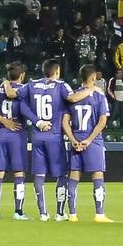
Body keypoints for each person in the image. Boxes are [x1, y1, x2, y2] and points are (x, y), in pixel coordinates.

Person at [22, 59, 76, 221]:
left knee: (39, 175)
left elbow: (20, 103)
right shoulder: (61, 85)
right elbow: (73, 99)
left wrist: (37, 121)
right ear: (57, 71)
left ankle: (43, 213)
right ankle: (59, 213)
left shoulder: (32, 85)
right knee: (61, 174)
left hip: (37, 136)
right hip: (54, 137)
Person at [63, 65, 113, 222]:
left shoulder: (73, 96)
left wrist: (73, 140)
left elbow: (65, 122)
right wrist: (89, 140)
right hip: (93, 140)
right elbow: (102, 121)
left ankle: (72, 214)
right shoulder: (99, 96)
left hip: (76, 138)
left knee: (73, 176)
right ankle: (99, 214)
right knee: (97, 174)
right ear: (93, 78)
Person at [0, 63, 31, 219]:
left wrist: (2, 120)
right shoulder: (25, 89)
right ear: (22, 75)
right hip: (18, 133)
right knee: (19, 172)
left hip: (3, 133)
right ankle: (18, 211)